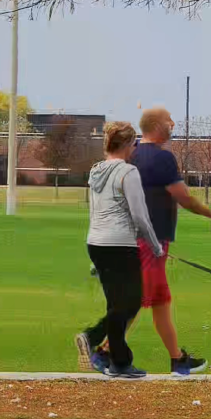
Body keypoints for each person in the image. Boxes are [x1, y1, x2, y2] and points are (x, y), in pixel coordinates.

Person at [127, 107, 211, 376]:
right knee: (138, 298)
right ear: (157, 126)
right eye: (168, 120)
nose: (172, 124)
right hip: (152, 241)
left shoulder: (130, 154)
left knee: (159, 301)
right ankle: (104, 350)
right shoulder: (162, 158)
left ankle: (177, 359)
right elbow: (183, 197)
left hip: (135, 238)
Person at [76, 121, 164, 379]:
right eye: (134, 142)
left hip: (96, 243)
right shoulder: (129, 172)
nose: (136, 147)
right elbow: (139, 216)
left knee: (118, 303)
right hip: (119, 244)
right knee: (130, 302)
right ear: (126, 145)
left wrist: (96, 259)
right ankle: (108, 352)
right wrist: (156, 247)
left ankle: (114, 357)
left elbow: (94, 211)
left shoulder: (95, 171)